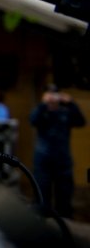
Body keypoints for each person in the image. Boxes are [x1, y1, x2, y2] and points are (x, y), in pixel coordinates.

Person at [29, 84, 86, 218]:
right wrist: (43, 104)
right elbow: (32, 120)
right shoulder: (41, 111)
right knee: (41, 198)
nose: (53, 98)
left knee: (64, 200)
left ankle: (65, 229)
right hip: (43, 161)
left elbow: (81, 122)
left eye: (55, 94)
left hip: (63, 161)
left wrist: (72, 103)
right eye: (50, 94)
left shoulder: (66, 111)